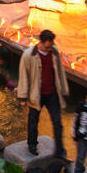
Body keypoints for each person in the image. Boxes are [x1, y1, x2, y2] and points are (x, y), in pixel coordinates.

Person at [17, 29, 68, 158]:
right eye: (47, 47)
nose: (48, 49)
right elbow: (23, 76)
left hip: (52, 93)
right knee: (33, 121)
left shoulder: (54, 51)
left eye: (50, 46)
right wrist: (23, 96)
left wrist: (63, 89)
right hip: (36, 94)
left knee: (57, 123)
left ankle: (60, 150)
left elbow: (60, 72)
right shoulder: (28, 55)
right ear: (41, 42)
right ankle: (32, 144)